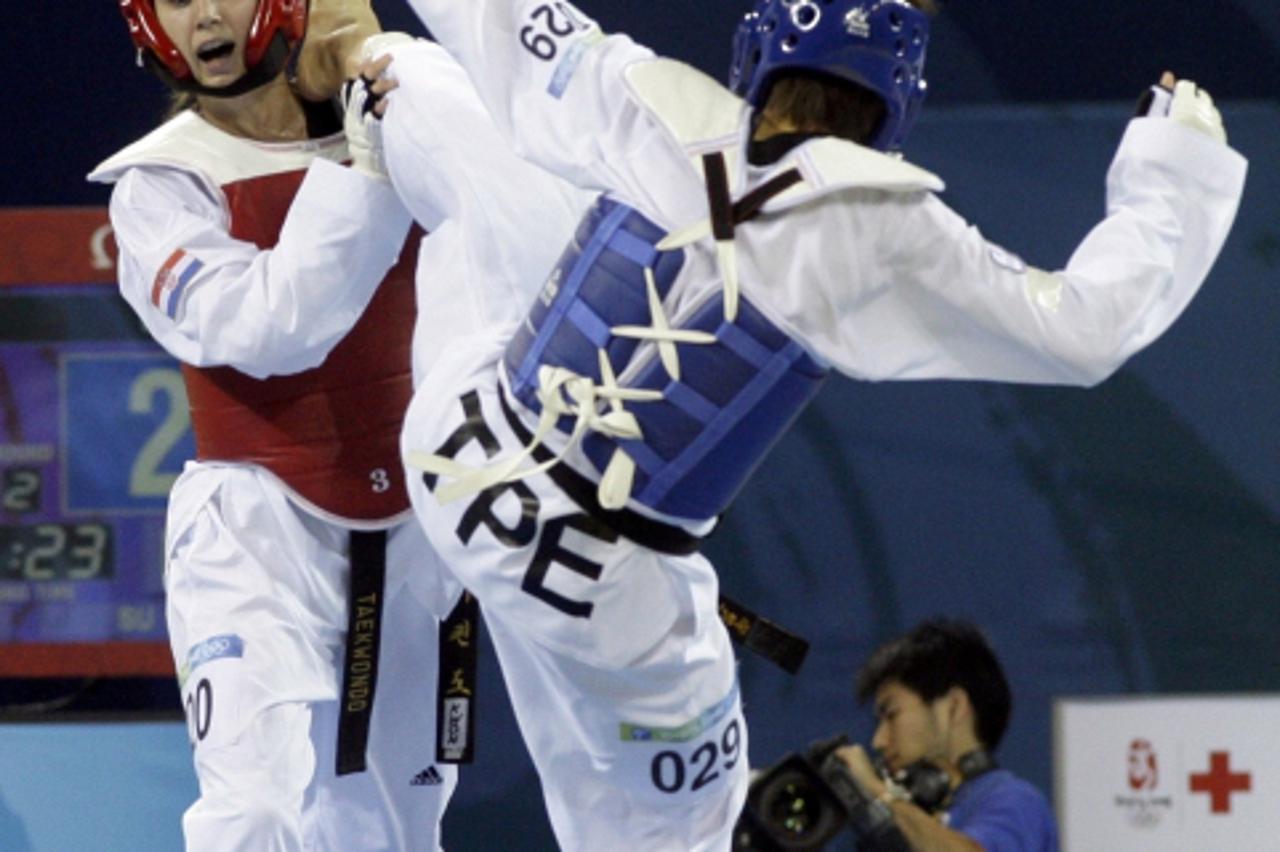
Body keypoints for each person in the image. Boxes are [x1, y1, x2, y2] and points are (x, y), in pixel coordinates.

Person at [375, 0, 1246, 849]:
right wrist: (1175, 168)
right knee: (686, 828)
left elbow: (498, 18)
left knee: (479, 167)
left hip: (462, 445)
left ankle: (355, 69)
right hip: (590, 579)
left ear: (757, 54)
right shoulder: (881, 230)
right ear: (898, 105)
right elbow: (1082, 330)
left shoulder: (650, 96)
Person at [87, 1, 461, 849]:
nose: (205, 17)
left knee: (394, 835)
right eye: (177, 0)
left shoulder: (407, 127)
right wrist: (366, 167)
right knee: (251, 816)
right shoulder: (159, 188)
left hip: (419, 535)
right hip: (254, 535)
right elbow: (272, 329)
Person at [834, 619, 1058, 851]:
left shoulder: (1016, 801)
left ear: (954, 707)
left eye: (892, 715)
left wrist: (879, 794)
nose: (878, 741)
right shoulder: (911, 820)